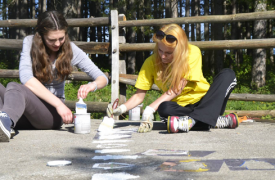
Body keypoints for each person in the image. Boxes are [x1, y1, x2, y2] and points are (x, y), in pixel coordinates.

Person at [107, 23, 238, 133]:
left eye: (169, 53)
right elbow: (139, 96)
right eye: (160, 50)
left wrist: (150, 108)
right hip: (181, 109)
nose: (163, 56)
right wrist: (121, 109)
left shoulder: (192, 52)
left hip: (207, 102)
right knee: (164, 109)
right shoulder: (150, 62)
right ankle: (211, 120)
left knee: (228, 75)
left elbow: (177, 88)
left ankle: (194, 121)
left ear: (180, 49)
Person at [0, 10, 108, 142]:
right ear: (41, 35)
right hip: (27, 112)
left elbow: (103, 78)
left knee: (14, 87)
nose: (57, 43)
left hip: (52, 115)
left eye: (61, 38)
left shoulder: (71, 49)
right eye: (52, 40)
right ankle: (7, 121)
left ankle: (5, 121)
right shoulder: (29, 42)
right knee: (11, 90)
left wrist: (92, 85)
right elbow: (26, 78)